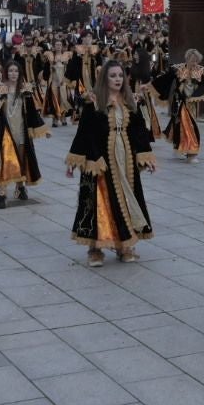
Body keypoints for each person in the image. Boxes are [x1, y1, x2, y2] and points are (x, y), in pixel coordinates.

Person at [67, 61, 156, 267]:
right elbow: (85, 132)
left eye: (120, 76)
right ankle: (95, 248)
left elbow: (139, 132)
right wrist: (79, 159)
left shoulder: (130, 101)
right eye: (113, 76)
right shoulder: (94, 102)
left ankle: (124, 245)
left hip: (125, 160)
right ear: (104, 79)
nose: (117, 79)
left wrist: (145, 156)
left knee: (125, 199)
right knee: (101, 201)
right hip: (100, 158)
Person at [0, 59, 47, 207]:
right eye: (11, 71)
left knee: (21, 159)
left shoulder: (25, 89)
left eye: (16, 71)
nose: (13, 74)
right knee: (5, 161)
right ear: (6, 73)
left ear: (20, 73)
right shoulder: (0, 89)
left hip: (20, 130)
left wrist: (43, 128)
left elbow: (32, 112)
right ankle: (2, 194)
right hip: (5, 132)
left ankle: (20, 187)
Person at [154, 48, 204, 163]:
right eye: (192, 60)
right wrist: (152, 87)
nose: (194, 63)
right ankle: (191, 153)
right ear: (187, 59)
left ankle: (181, 148)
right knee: (186, 126)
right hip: (179, 102)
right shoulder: (179, 69)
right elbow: (165, 79)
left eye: (196, 61)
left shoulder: (198, 71)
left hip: (192, 104)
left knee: (185, 125)